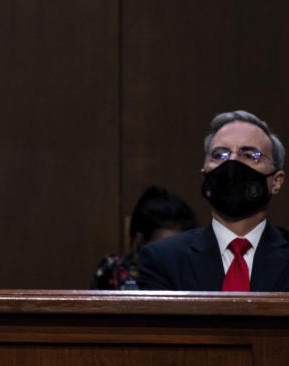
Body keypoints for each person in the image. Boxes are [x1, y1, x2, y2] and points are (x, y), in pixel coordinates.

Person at [138, 110, 289, 291]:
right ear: (205, 176)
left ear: (277, 181)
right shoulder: (163, 259)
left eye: (250, 155)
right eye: (220, 155)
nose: (231, 163)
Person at [92, 186, 197, 289]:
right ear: (141, 240)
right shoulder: (113, 270)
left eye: (179, 248)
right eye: (165, 249)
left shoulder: (193, 271)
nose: (172, 257)